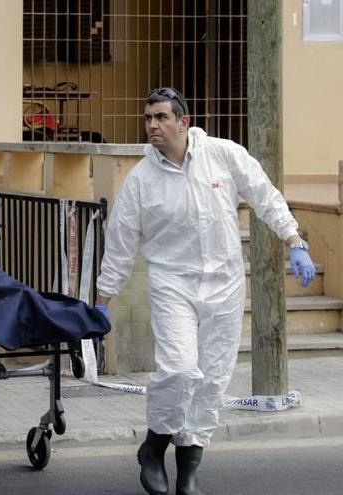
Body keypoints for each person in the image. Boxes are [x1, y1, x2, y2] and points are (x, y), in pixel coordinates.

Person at [96, 87, 315, 495]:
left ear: (184, 122)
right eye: (148, 118)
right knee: (179, 370)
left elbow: (265, 195)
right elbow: (121, 241)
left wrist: (294, 241)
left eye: (161, 117)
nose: (153, 126)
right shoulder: (141, 180)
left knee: (211, 380)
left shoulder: (223, 155)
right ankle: (154, 445)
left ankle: (189, 469)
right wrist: (103, 300)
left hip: (225, 284)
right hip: (171, 285)